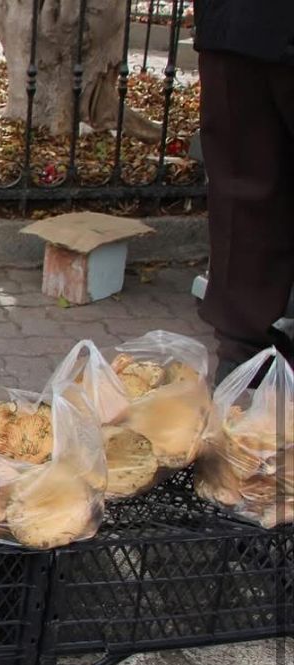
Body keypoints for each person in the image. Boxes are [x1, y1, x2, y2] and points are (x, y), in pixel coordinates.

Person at [192, 0, 294, 385]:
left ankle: (241, 360)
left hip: (235, 27)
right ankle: (243, 363)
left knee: (243, 192)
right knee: (243, 189)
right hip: (236, 29)